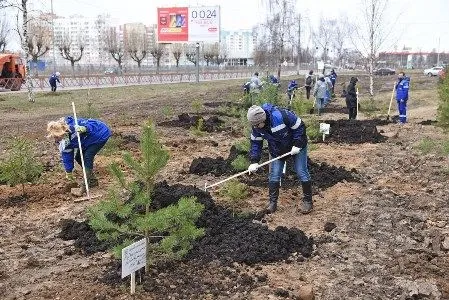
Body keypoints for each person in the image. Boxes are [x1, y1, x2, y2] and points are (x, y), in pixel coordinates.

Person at [246, 104, 313, 214]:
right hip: (277, 151)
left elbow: (300, 127)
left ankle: (308, 202)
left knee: (301, 171)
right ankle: (272, 203)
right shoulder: (256, 126)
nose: (256, 127)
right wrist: (254, 161)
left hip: (296, 147)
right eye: (254, 125)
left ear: (263, 119)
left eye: (258, 124)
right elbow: (256, 143)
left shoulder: (281, 116)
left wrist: (297, 144)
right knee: (274, 174)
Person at [46, 116, 112, 196]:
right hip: (86, 141)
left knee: (87, 157)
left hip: (99, 134)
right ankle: (92, 181)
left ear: (61, 132)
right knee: (78, 157)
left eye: (56, 137)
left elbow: (92, 123)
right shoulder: (64, 142)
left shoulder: (74, 125)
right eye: (54, 137)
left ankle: (84, 187)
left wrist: (85, 128)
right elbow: (67, 155)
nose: (56, 140)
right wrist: (68, 171)